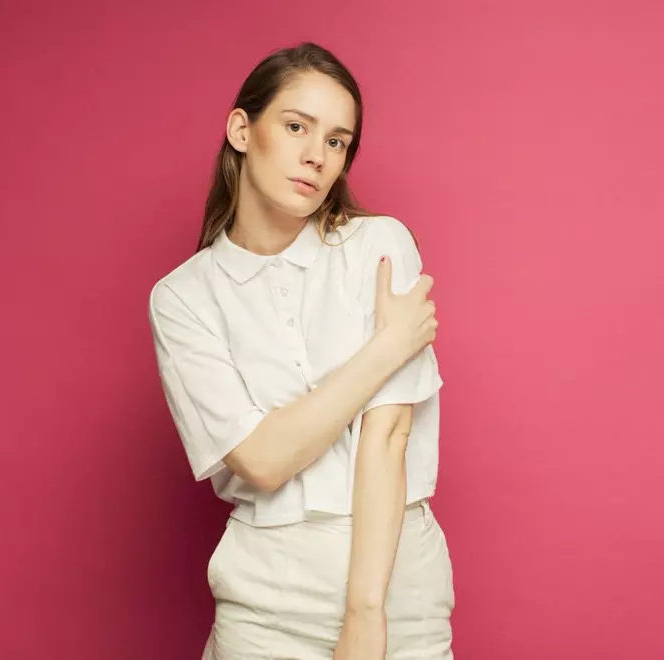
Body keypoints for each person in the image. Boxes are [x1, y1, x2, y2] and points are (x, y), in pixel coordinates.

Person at [148, 42, 454, 659]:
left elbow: (389, 437)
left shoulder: (379, 245)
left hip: (398, 584)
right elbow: (262, 461)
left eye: (337, 141)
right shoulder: (183, 297)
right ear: (242, 130)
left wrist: (365, 615)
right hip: (266, 594)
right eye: (296, 127)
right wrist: (387, 348)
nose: (317, 155)